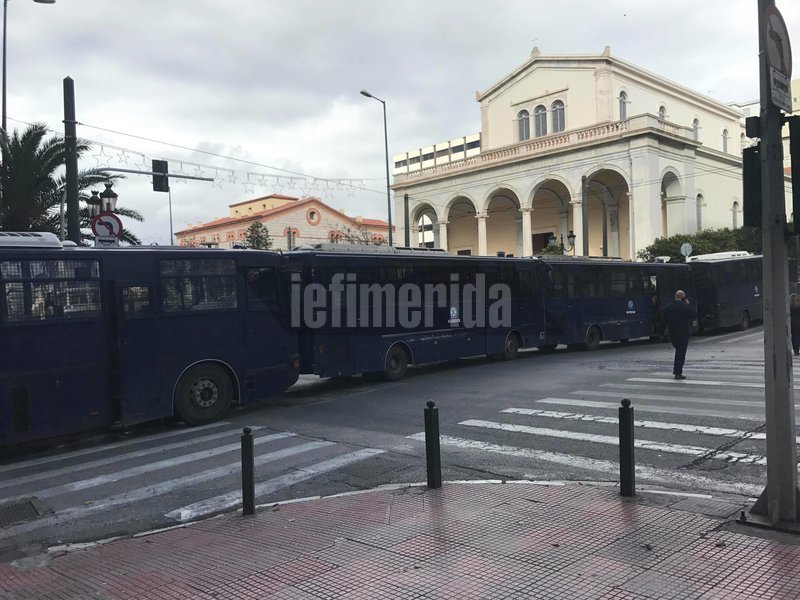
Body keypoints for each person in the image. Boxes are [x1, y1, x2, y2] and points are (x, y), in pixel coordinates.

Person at [661, 289, 697, 380]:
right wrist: (687, 304)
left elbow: (663, 322)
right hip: (683, 333)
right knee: (681, 353)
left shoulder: (667, 308)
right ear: (683, 297)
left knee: (678, 351)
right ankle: (677, 372)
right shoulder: (684, 307)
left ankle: (677, 370)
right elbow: (694, 314)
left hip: (672, 334)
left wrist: (661, 333)